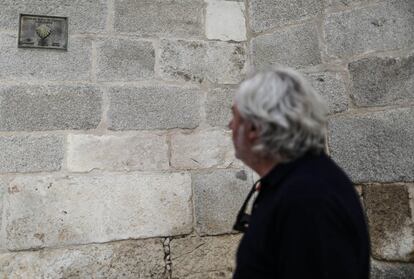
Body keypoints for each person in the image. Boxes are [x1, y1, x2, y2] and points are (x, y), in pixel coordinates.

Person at [229, 67, 370, 279]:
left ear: (254, 128)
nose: (230, 125)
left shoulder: (308, 198)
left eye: (235, 116)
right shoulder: (293, 183)